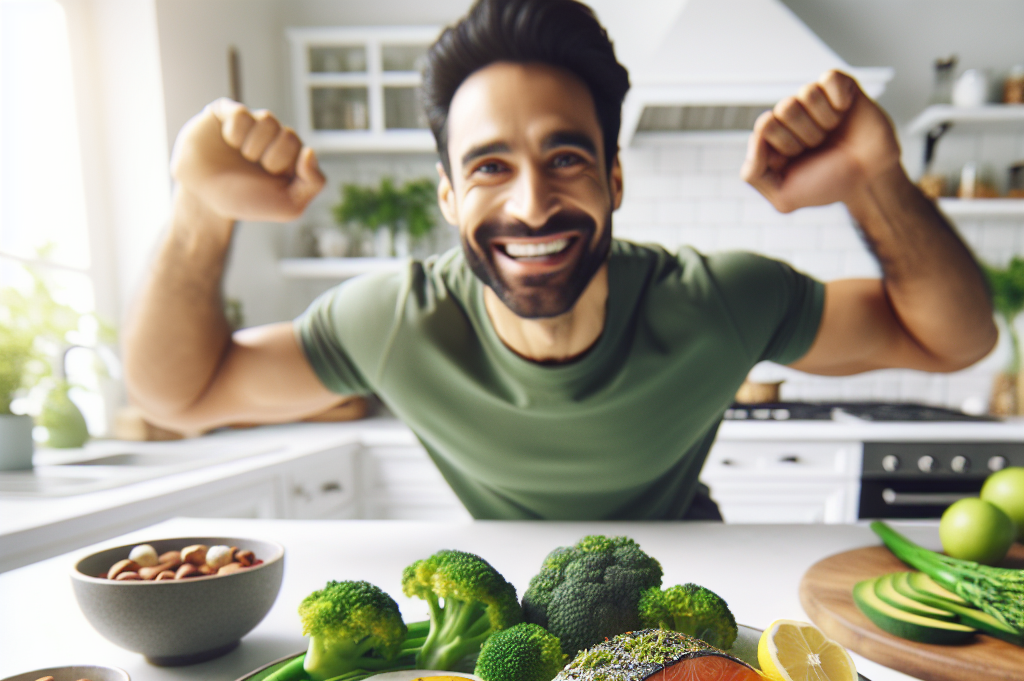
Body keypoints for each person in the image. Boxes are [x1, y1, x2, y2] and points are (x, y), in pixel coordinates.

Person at [123, 0, 995, 521]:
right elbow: (179, 394)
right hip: (511, 629)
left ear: (615, 178)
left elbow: (952, 341)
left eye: (566, 158)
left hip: (691, 606)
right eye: (490, 166)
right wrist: (200, 210)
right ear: (448, 197)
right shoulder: (393, 321)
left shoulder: (720, 300)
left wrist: (877, 181)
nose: (532, 204)